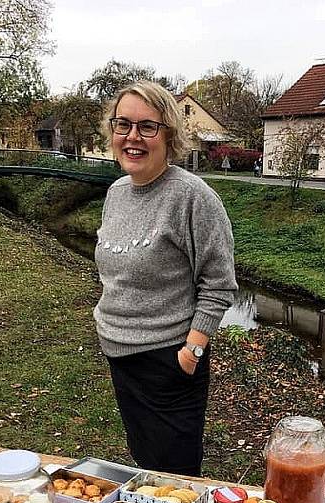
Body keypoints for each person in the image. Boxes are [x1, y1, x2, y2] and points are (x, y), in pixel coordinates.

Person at [94, 81, 237, 477]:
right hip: (120, 355)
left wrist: (192, 351)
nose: (132, 137)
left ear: (168, 135)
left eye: (147, 127)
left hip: (169, 361)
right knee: (144, 461)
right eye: (123, 125)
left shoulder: (193, 197)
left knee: (176, 476)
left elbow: (220, 283)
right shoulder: (116, 193)